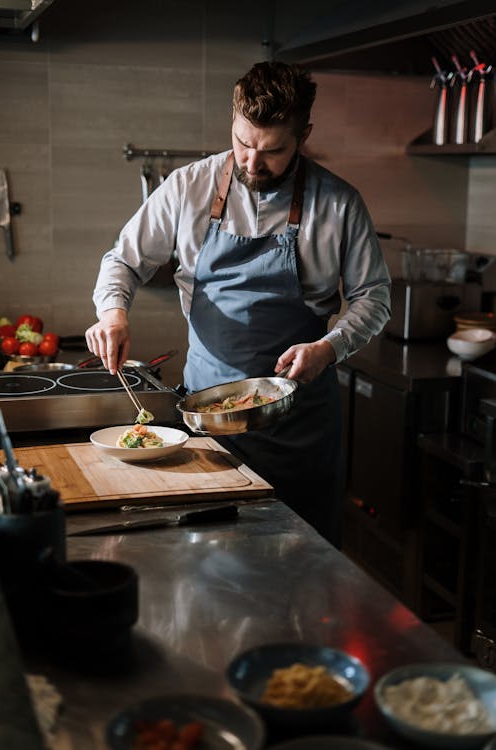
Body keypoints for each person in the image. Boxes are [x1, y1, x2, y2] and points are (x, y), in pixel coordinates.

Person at [85, 61, 391, 547]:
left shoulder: (339, 204)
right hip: (209, 423)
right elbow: (122, 260)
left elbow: (374, 297)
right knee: (213, 558)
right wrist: (113, 314)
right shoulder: (189, 187)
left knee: (304, 566)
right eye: (243, 142)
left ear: (304, 135)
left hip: (300, 427)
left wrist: (329, 348)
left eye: (272, 150)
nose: (252, 162)